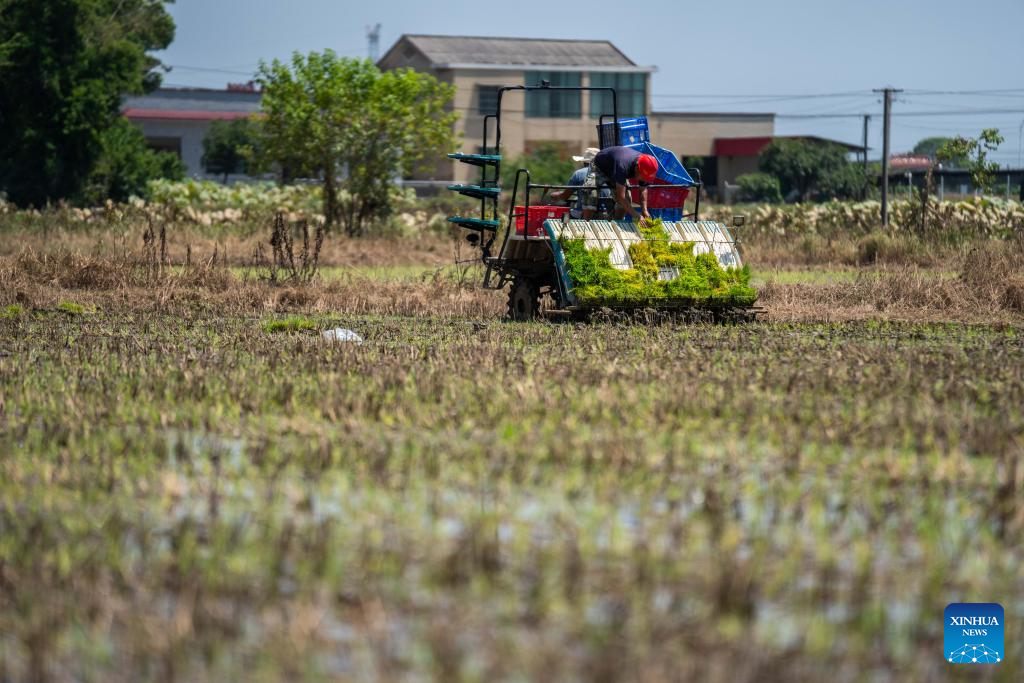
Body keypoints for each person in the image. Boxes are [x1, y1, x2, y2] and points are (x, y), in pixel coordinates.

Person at [592, 145, 659, 221]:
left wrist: (644, 210)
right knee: (590, 193)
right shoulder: (623, 165)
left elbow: (643, 189)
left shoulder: (645, 168)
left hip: (616, 169)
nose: (644, 179)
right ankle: (586, 223)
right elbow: (621, 197)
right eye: (643, 177)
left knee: (627, 200)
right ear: (637, 168)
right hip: (599, 166)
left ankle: (617, 222)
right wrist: (636, 215)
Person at [549, 147, 609, 219]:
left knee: (560, 219)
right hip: (605, 215)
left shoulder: (579, 173)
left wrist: (555, 195)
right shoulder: (607, 173)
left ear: (584, 162)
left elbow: (565, 196)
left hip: (583, 214)